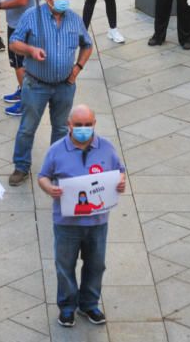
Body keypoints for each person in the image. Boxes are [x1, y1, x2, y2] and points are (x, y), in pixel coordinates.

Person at [38, 105, 126, 327]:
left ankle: (89, 305)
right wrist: (49, 189)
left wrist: (121, 182)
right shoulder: (57, 150)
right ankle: (67, 307)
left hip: (97, 221)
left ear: (94, 124)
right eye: (78, 125)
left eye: (88, 125)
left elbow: (120, 170)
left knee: (96, 265)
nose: (83, 129)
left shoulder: (106, 147)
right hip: (66, 223)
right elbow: (43, 176)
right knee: (64, 266)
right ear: (69, 125)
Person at [8, 0, 93, 186]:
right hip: (36, 84)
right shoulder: (32, 16)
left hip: (65, 85)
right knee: (28, 127)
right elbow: (14, 42)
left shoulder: (73, 19)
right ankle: (21, 166)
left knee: (61, 129)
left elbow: (87, 45)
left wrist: (77, 68)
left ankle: (56, 166)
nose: (65, 1)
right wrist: (30, 50)